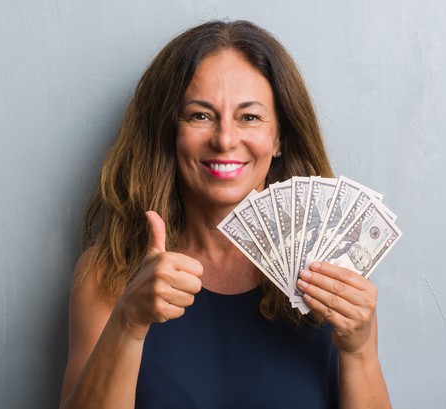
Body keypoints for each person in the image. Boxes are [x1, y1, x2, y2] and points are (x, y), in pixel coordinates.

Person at [60, 20, 391, 408]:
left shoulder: (333, 271)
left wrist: (359, 351)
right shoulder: (108, 273)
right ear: (170, 132)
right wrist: (128, 324)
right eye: (200, 116)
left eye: (249, 117)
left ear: (279, 136)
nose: (225, 139)